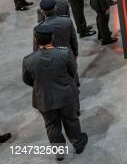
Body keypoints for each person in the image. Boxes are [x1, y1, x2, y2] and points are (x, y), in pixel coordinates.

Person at [23, 24, 88, 160]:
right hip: (66, 95)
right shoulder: (64, 53)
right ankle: (78, 143)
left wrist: (42, 86)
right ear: (52, 37)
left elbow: (27, 80)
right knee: (71, 120)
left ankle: (59, 153)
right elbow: (72, 72)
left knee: (52, 125)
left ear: (36, 40)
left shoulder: (28, 60)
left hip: (44, 98)